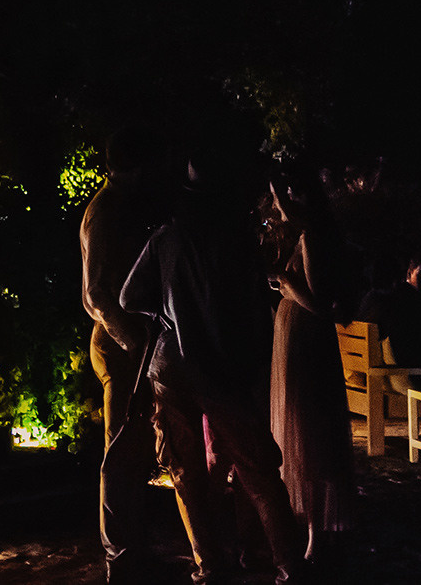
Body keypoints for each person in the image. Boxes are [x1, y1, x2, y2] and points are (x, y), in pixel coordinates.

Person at [121, 142, 304, 585]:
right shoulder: (238, 240)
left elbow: (128, 297)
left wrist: (164, 316)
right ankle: (289, 566)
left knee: (186, 473)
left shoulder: (165, 237)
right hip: (224, 370)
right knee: (259, 471)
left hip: (172, 369)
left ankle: (210, 566)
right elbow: (253, 307)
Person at [79, 126, 169, 583]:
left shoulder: (121, 208)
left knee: (130, 451)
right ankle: (121, 558)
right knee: (119, 453)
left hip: (126, 341)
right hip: (116, 343)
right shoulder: (107, 213)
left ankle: (133, 549)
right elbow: (95, 294)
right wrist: (133, 342)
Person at [268, 164, 356, 576]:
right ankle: (307, 532)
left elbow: (319, 303)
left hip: (306, 344)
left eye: (282, 196)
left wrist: (286, 283)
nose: (277, 205)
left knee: (311, 438)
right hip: (293, 342)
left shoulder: (311, 235)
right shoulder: (303, 235)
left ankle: (316, 538)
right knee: (299, 435)